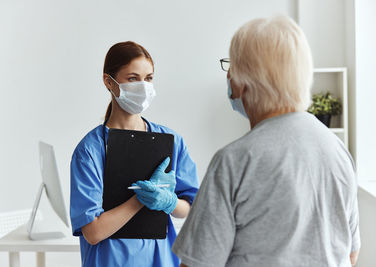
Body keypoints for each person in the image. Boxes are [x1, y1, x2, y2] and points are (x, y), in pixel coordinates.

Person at [172, 16, 360, 267]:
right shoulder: (336, 149)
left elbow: (199, 264)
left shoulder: (235, 160)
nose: (228, 75)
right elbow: (350, 253)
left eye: (232, 65)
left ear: (244, 80)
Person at [70, 41, 199, 267]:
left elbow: (188, 207)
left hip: (160, 258)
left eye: (148, 78)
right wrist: (140, 198)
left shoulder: (170, 141)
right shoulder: (90, 151)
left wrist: (168, 202)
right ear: (109, 82)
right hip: (110, 260)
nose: (143, 86)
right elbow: (93, 232)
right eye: (132, 78)